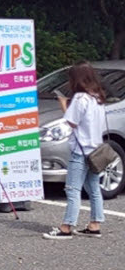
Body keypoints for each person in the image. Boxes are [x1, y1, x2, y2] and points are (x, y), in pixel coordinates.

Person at [43, 62, 107, 240]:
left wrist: (64, 104)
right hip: (95, 150)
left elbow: (71, 122)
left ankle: (66, 227)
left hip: (80, 150)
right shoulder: (98, 97)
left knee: (72, 189)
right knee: (93, 188)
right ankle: (95, 224)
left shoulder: (80, 99)